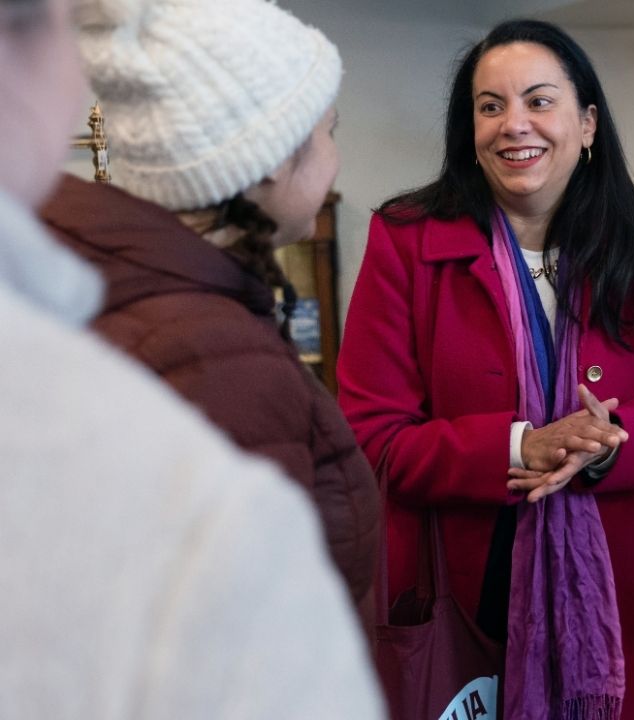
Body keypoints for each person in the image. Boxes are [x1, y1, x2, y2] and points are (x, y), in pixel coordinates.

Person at [0, 0, 382, 716]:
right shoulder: (215, 359)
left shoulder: (137, 294)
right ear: (268, 164)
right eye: (329, 133)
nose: (335, 159)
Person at [338, 19, 634, 719]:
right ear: (470, 129)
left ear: (588, 122)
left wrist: (609, 444)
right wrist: (518, 447)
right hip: (457, 597)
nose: (515, 125)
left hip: (613, 589)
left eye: (539, 102)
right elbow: (373, 437)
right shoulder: (407, 240)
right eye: (490, 106)